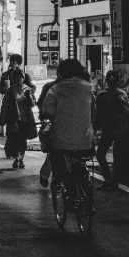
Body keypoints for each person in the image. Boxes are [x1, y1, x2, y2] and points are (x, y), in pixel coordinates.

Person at [42, 58, 96, 192]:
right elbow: (94, 110)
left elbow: (48, 110)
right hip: (85, 140)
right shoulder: (87, 87)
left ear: (60, 73)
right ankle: (87, 197)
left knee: (55, 155)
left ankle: (58, 178)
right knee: (81, 162)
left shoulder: (55, 89)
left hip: (61, 141)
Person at [95, 70, 129, 191]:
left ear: (106, 81)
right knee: (118, 155)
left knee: (101, 154)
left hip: (107, 128)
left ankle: (108, 179)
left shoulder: (101, 95)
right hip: (121, 128)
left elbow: (97, 113)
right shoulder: (123, 94)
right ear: (118, 81)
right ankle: (115, 181)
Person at [0, 67, 37, 169]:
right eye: (16, 77)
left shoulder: (28, 90)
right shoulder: (10, 91)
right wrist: (2, 119)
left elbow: (33, 104)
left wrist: (29, 97)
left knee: (23, 141)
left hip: (25, 119)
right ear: (13, 79)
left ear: (23, 78)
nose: (18, 79)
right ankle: (17, 159)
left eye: (20, 77)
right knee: (15, 139)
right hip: (14, 119)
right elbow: (5, 106)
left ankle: (21, 159)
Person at [35, 73, 61, 186]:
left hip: (64, 123)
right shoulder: (52, 87)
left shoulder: (77, 87)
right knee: (54, 151)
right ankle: (46, 174)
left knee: (56, 152)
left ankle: (46, 174)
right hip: (54, 123)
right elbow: (42, 104)